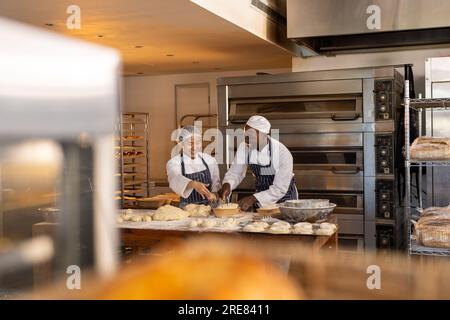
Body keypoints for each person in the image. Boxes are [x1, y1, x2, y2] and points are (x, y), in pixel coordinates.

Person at [218, 115, 298, 211]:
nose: (246, 140)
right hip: (261, 199)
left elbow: (279, 189)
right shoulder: (245, 147)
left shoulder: (282, 153)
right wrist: (227, 184)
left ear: (263, 134)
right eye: (245, 136)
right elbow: (235, 173)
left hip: (284, 199)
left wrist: (253, 198)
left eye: (250, 136)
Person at [166, 126, 219, 207]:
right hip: (187, 210)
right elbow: (174, 178)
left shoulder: (209, 160)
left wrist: (214, 194)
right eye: (190, 143)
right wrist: (193, 184)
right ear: (181, 143)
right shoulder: (174, 162)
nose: (194, 147)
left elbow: (216, 182)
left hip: (210, 208)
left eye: (198, 143)